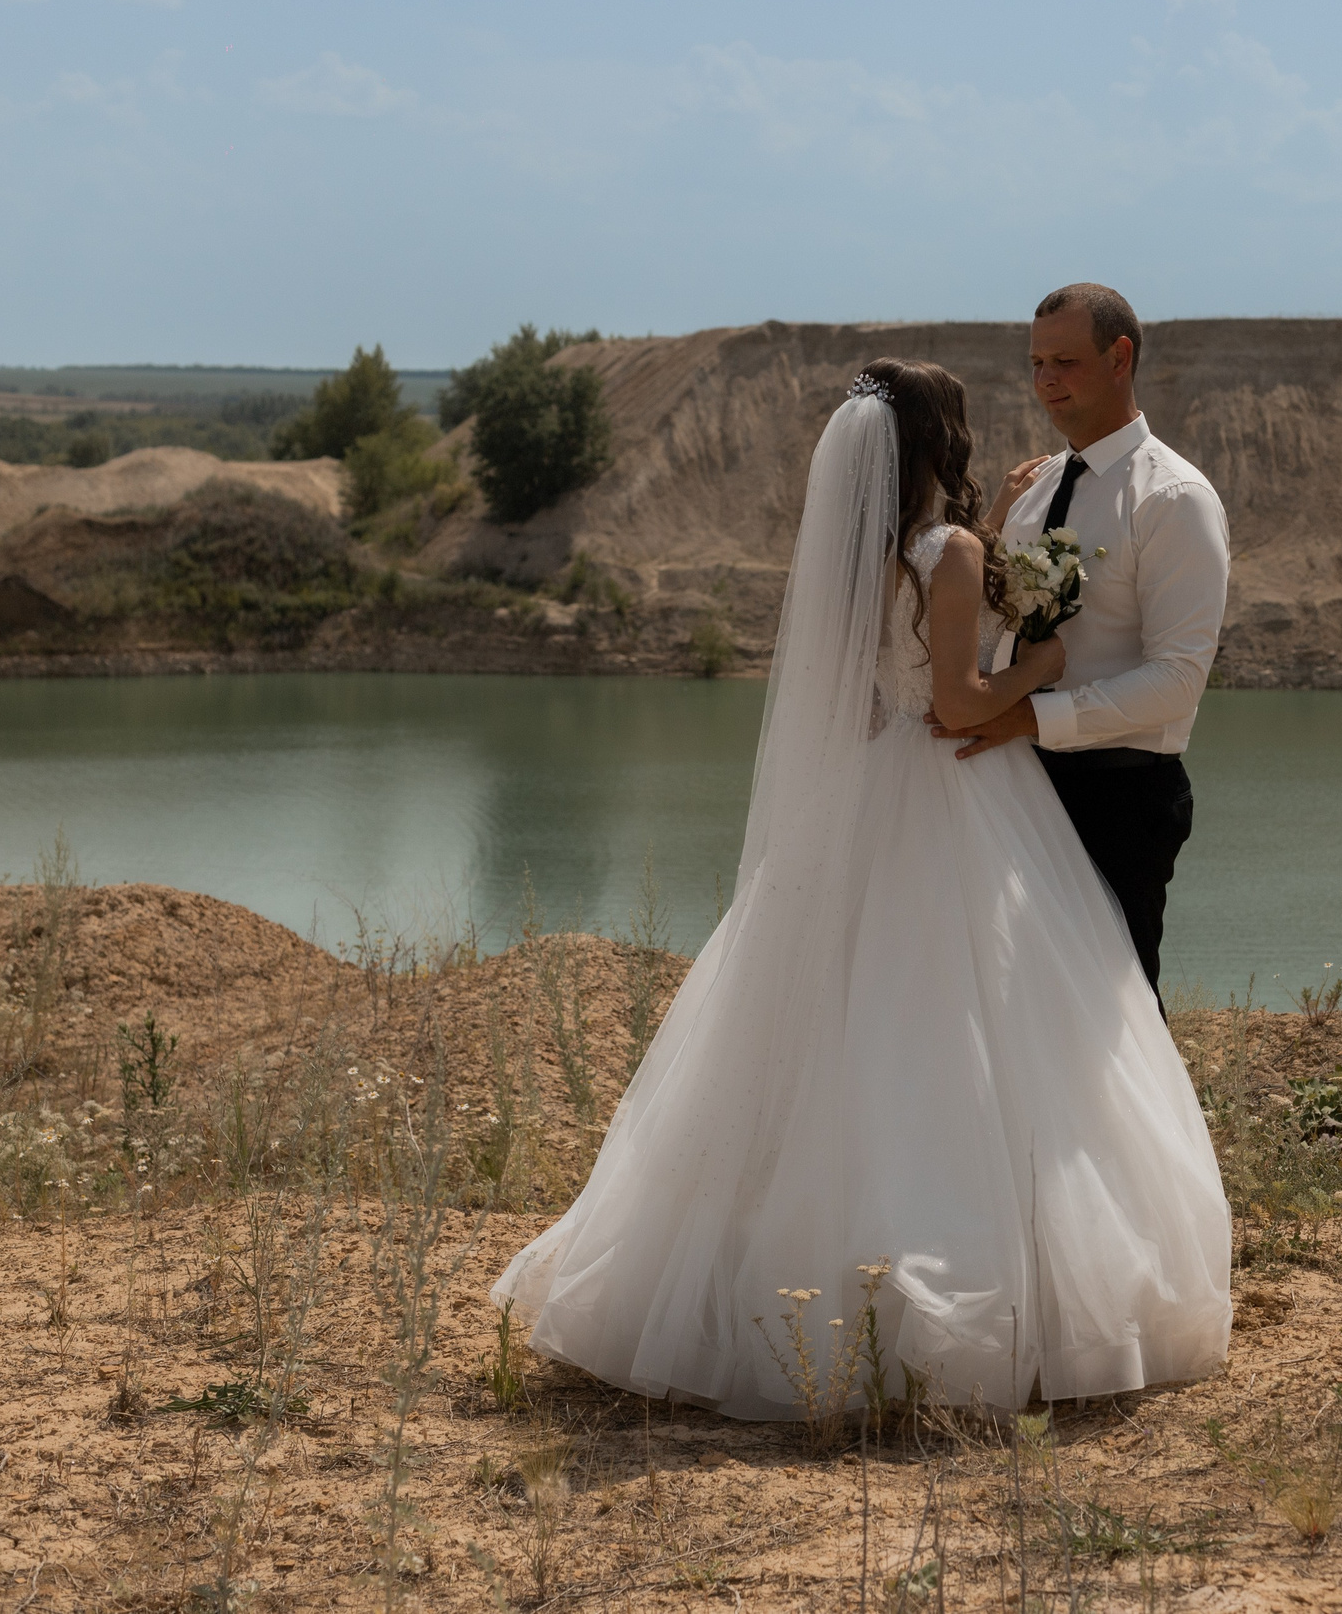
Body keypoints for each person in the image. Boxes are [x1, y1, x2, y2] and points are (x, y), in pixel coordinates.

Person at [489, 357, 1231, 1419]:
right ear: (944, 440)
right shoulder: (951, 550)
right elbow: (963, 709)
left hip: (866, 792)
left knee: (846, 1022)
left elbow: (869, 703)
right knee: (970, 1028)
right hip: (962, 792)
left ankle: (769, 1268)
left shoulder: (856, 559)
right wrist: (1041, 665)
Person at [932, 283, 1231, 993]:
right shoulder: (1034, 489)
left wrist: (1026, 717)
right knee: (1022, 1009)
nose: (1044, 382)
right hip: (1019, 783)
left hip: (1121, 799)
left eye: (1063, 361)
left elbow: (1179, 679)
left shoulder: (1173, 499)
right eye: (1036, 363)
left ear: (1120, 356)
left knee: (1114, 1013)